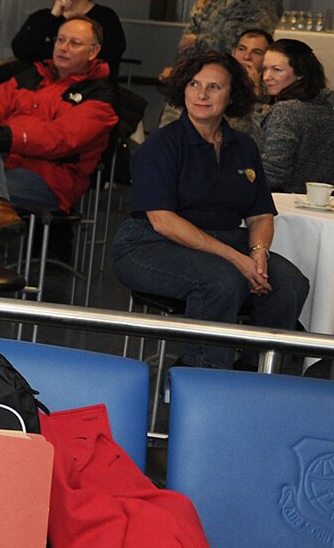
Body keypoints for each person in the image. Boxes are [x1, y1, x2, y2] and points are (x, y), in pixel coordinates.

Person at [111, 52, 308, 369]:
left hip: (225, 239)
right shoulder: (161, 145)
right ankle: (202, 375)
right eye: (194, 84)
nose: (201, 95)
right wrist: (237, 259)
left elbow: (259, 215)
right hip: (149, 244)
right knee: (222, 280)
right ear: (182, 90)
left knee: (289, 282)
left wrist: (258, 253)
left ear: (232, 96)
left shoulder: (243, 146)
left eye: (214, 87)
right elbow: (163, 221)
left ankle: (257, 373)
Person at [0, 18, 118, 232]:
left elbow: (60, 139)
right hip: (2, 166)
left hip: (53, 179)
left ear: (93, 52)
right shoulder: (31, 76)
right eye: (60, 40)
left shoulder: (100, 94)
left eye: (74, 43)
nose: (63, 48)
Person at [12, 0, 125, 79]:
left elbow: (105, 57)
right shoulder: (42, 17)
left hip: (87, 88)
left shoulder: (106, 18)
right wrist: (53, 16)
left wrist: (45, 49)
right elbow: (20, 50)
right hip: (41, 86)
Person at [252, 38, 334, 194]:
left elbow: (273, 173)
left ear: (301, 73)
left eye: (276, 70)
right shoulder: (326, 107)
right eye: (264, 69)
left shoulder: (287, 111)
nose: (266, 77)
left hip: (286, 205)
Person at [160, 27, 269, 131]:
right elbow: (168, 125)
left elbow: (261, 138)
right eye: (242, 49)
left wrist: (256, 94)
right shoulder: (200, 77)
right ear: (233, 52)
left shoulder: (270, 92)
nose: (246, 57)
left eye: (256, 52)